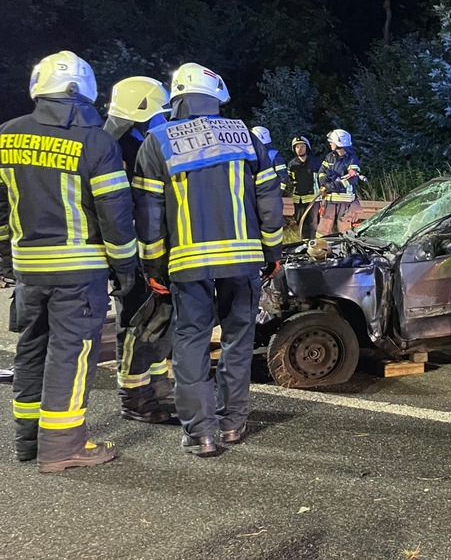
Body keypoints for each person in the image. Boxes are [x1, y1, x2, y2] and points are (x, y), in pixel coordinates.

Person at [133, 63, 284, 458]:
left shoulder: (157, 141)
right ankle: (232, 423)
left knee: (191, 342)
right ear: (217, 96)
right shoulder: (245, 135)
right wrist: (272, 252)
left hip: (188, 263)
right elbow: (269, 199)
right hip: (244, 258)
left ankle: (201, 433)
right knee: (238, 340)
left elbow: (149, 214)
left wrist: (153, 266)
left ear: (176, 96)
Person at [1, 51, 137, 472]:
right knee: (71, 354)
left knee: (32, 347)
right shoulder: (95, 142)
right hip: (78, 271)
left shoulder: (7, 135)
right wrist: (125, 267)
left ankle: (28, 440)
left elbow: (2, 209)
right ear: (84, 91)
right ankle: (62, 447)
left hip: (28, 268)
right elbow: (114, 214)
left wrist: (8, 257)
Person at [104, 76, 175, 422]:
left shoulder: (127, 141)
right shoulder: (116, 148)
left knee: (156, 319)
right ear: (142, 109)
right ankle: (135, 398)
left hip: (142, 248)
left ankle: (157, 388)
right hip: (131, 252)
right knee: (136, 322)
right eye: (160, 112)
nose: (163, 119)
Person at [317, 129, 363, 235]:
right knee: (323, 229)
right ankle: (320, 245)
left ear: (339, 143)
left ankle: (347, 246)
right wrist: (324, 181)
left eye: (332, 142)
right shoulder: (330, 157)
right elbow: (321, 172)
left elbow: (352, 179)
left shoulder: (351, 159)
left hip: (345, 202)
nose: (330, 144)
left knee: (345, 230)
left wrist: (336, 185)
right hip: (329, 200)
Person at [286, 136, 321, 239]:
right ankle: (304, 243)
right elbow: (289, 181)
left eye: (302, 146)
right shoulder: (292, 164)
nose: (300, 149)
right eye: (297, 147)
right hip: (298, 200)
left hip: (313, 198)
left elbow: (322, 178)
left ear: (307, 148)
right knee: (300, 223)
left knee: (313, 223)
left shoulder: (315, 162)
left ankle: (314, 244)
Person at [251, 126, 291, 191]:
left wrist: (279, 191)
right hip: (259, 191)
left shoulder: (273, 155)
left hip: (268, 192)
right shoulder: (255, 155)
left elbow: (283, 176)